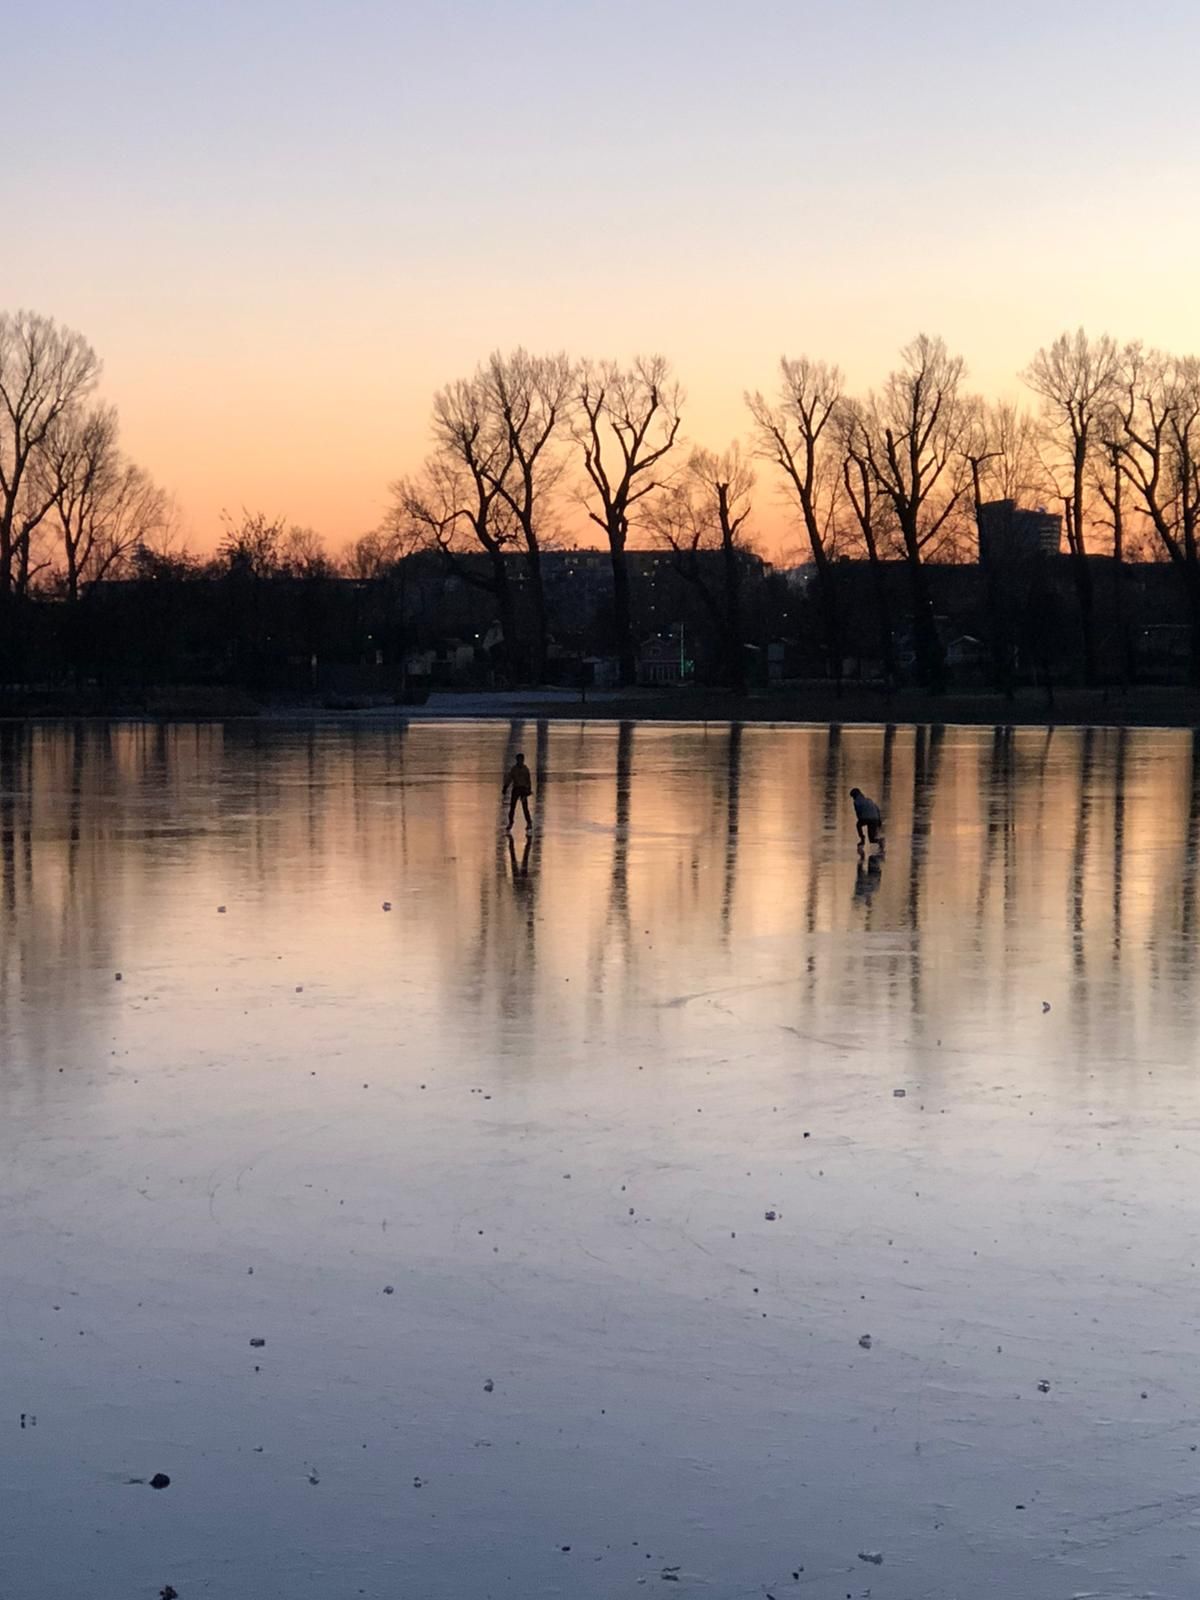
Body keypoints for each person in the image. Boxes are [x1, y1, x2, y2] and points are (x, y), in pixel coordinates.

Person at [503, 752, 534, 833]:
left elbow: (528, 780)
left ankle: (529, 823)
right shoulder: (514, 769)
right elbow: (509, 778)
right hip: (516, 789)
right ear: (517, 760)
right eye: (519, 760)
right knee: (512, 807)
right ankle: (510, 822)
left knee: (525, 808)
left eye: (521, 760)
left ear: (523, 760)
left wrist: (528, 789)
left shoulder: (525, 769)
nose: (520, 761)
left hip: (523, 790)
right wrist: (505, 787)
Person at [849, 786, 883, 851]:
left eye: (853, 797)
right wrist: (879, 820)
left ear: (854, 796)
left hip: (866, 818)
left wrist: (860, 820)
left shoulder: (856, 802)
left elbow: (858, 812)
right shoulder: (869, 800)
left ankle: (862, 838)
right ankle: (880, 842)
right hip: (875, 819)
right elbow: (877, 809)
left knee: (858, 825)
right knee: (872, 839)